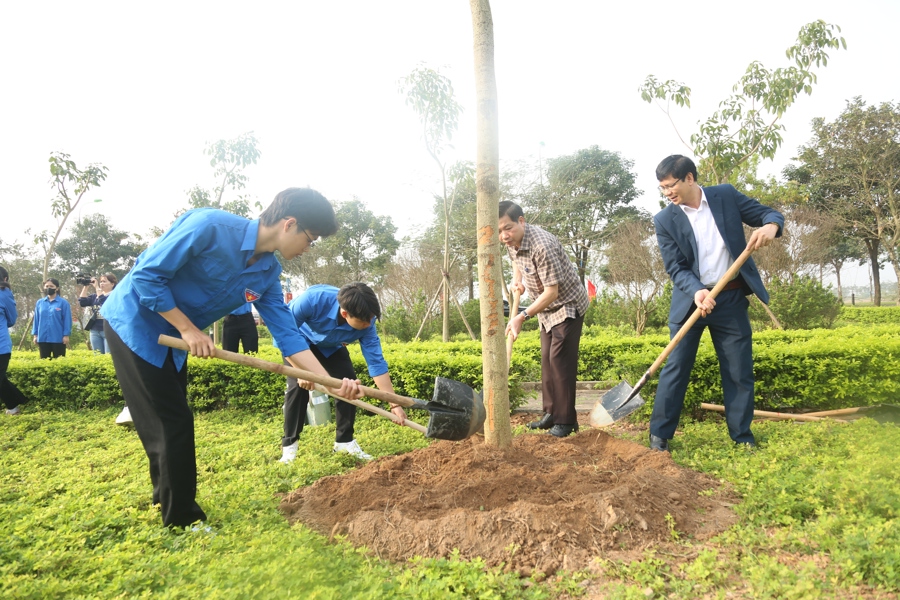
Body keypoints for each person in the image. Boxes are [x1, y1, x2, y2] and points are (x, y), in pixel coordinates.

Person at [101, 187, 365, 529]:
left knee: (166, 421)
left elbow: (287, 334)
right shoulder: (209, 226)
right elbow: (146, 275)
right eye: (310, 238)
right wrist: (188, 329)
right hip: (135, 324)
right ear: (289, 224)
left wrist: (330, 383)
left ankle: (165, 497)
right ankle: (182, 521)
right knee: (172, 422)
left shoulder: (268, 274)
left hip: (174, 341)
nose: (308, 248)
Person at [650, 155, 783, 451]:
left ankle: (742, 437)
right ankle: (659, 436)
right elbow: (675, 268)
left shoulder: (725, 196)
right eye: (662, 189)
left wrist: (771, 226)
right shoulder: (664, 219)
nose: (667, 193)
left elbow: (770, 215)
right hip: (691, 303)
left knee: (738, 370)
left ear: (689, 178)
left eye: (671, 185)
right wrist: (697, 291)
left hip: (731, 297)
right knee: (676, 368)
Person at [279, 282, 407, 463]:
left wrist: (395, 404)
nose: (368, 324)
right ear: (345, 313)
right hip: (300, 344)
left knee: (349, 385)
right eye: (363, 321)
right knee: (297, 389)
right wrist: (301, 371)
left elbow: (376, 363)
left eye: (371, 319)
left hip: (331, 348)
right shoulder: (313, 300)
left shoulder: (367, 323)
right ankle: (289, 447)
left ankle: (344, 442)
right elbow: (284, 333)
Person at [500, 201, 589, 437]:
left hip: (566, 305)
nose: (504, 236)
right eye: (499, 231)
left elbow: (553, 292)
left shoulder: (543, 246)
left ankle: (567, 421)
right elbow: (516, 259)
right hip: (546, 309)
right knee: (548, 362)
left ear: (521, 221)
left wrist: (522, 316)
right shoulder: (512, 241)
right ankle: (551, 413)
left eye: (508, 228)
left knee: (560, 363)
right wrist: (517, 279)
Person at [1, 267, 31, 416]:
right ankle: (14, 406)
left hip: (0, 344)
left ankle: (15, 405)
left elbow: (12, 319)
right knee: (1, 379)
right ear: (5, 278)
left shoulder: (4, 294)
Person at [78, 274, 118, 354]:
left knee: (108, 356)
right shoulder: (94, 296)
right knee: (97, 355)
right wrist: (86, 286)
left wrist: (97, 288)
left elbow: (103, 301)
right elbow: (82, 302)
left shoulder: (115, 295)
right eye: (101, 282)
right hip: (95, 330)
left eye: (104, 281)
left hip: (109, 330)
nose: (101, 283)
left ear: (112, 284)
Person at [32, 278, 71, 359]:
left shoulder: (63, 303)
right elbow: (36, 320)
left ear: (57, 288)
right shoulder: (40, 303)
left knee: (59, 362)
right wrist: (35, 335)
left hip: (58, 338)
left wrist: (66, 335)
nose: (48, 288)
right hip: (43, 337)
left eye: (51, 286)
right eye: (46, 286)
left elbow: (67, 320)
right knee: (44, 362)